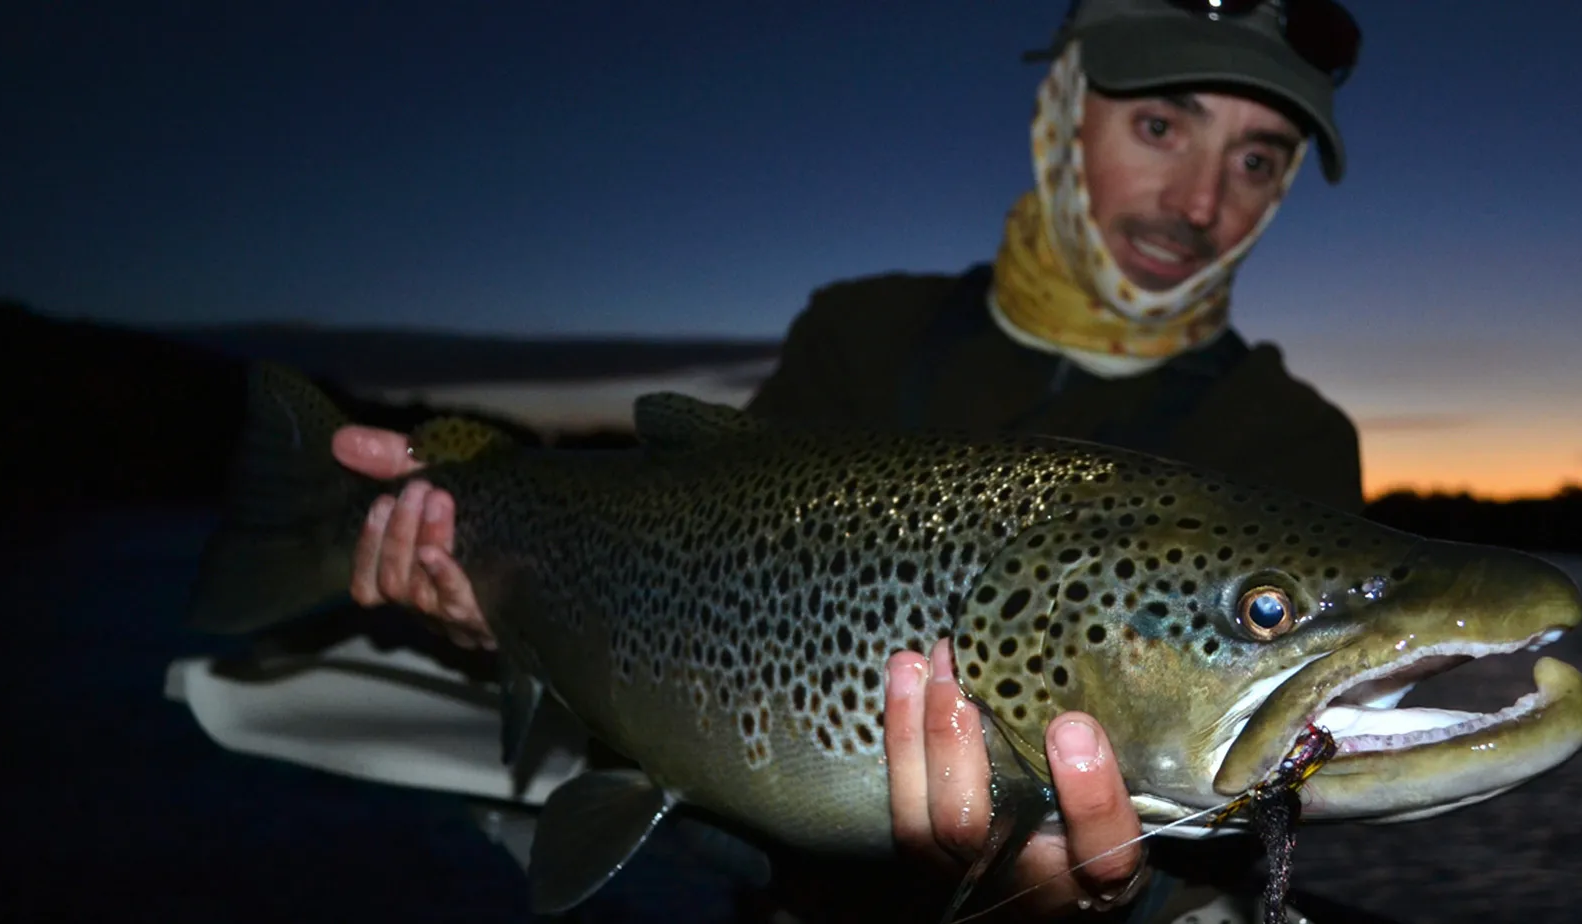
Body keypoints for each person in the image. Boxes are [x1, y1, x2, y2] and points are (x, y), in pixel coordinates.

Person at [332, 1, 1368, 920]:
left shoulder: (1293, 442)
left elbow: (1247, 822)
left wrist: (1102, 908)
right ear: (1062, 110)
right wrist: (492, 574)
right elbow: (674, 558)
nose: (1198, 202)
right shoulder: (863, 334)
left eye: (1256, 160)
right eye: (1160, 127)